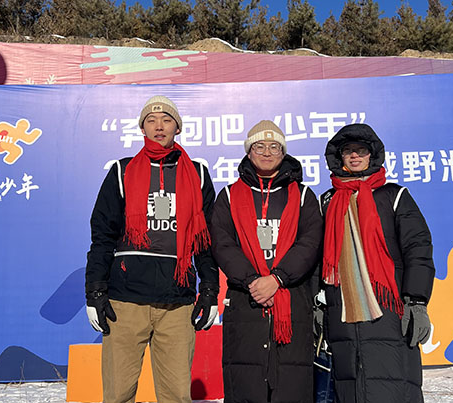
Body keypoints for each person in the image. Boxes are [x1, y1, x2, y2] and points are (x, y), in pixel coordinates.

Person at [84, 95, 219, 403]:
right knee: (118, 395)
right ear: (142, 127)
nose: (159, 126)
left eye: (167, 120)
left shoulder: (197, 173)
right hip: (125, 300)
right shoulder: (122, 171)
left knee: (176, 397)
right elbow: (102, 236)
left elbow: (206, 240)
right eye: (151, 120)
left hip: (177, 302)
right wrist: (94, 291)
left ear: (177, 128)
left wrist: (210, 289)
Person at [319, 123, 435, 403]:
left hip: (389, 307)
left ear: (372, 155)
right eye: (348, 151)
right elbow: (317, 256)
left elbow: (417, 248)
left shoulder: (394, 196)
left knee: (393, 382)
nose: (354, 156)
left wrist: (417, 301)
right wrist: (317, 303)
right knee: (350, 384)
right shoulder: (328, 201)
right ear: (339, 157)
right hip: (342, 309)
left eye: (361, 150)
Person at [210, 120, 323, 403]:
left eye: (274, 147)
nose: (267, 152)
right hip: (245, 302)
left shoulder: (303, 196)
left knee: (291, 388)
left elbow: (309, 243)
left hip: (292, 301)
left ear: (283, 153)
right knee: (246, 386)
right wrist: (253, 282)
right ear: (249, 152)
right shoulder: (228, 196)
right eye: (259, 146)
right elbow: (223, 244)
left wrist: (277, 279)